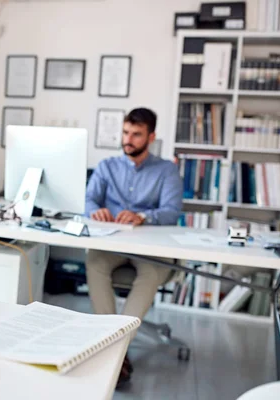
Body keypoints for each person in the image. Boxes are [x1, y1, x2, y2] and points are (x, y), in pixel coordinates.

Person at [84, 107, 183, 386]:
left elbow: (172, 211)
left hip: (149, 248)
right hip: (112, 244)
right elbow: (89, 201)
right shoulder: (107, 167)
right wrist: (96, 211)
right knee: (94, 261)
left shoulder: (166, 170)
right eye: (126, 132)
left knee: (151, 272)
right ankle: (113, 345)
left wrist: (143, 216)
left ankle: (113, 350)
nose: (128, 139)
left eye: (136, 134)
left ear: (150, 137)